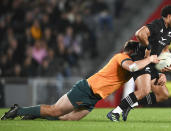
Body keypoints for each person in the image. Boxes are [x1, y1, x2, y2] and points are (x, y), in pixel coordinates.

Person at [1, 41, 159, 121]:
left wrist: (159, 74)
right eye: (136, 52)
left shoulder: (134, 64)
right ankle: (18, 110)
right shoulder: (122, 57)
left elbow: (143, 75)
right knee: (55, 110)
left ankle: (35, 114)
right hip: (86, 89)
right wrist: (150, 58)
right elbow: (133, 67)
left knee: (68, 118)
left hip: (93, 97)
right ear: (131, 52)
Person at [107, 5, 171, 122]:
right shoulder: (157, 24)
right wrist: (148, 47)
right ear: (169, 16)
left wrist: (167, 64)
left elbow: (165, 50)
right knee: (144, 91)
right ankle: (115, 112)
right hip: (141, 60)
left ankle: (130, 104)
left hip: (152, 64)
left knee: (163, 95)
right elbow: (139, 34)